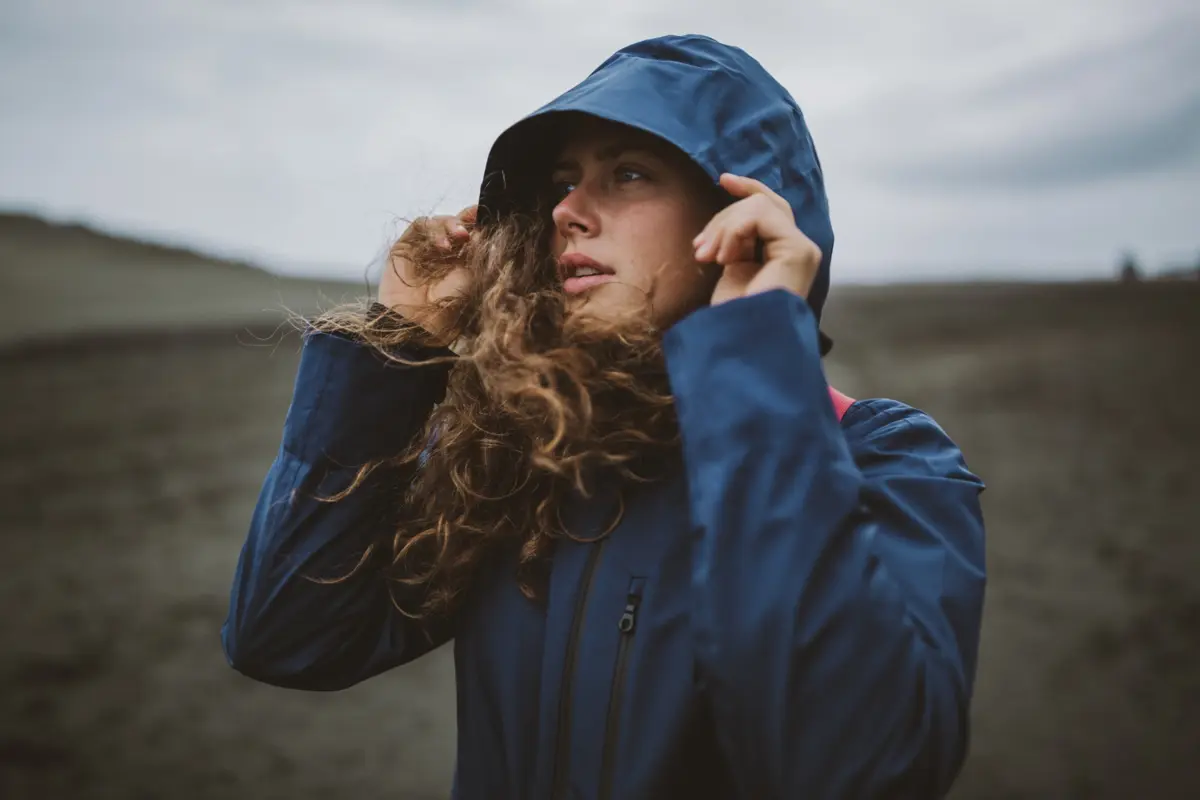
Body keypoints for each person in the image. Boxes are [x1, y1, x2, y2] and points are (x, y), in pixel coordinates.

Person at [222, 33, 987, 799]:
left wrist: (753, 365)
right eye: (561, 183)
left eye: (627, 173)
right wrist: (398, 348)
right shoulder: (529, 457)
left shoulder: (882, 460)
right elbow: (288, 636)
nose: (567, 212)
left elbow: (863, 770)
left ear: (743, 211)